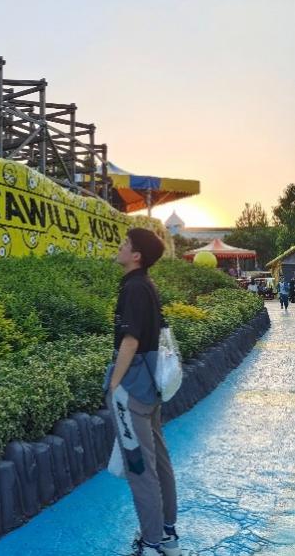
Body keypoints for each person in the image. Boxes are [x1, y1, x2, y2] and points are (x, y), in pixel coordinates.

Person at [106, 228, 180, 556]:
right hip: (150, 386)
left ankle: (151, 544)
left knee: (140, 468)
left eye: (125, 244)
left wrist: (114, 384)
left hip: (132, 388)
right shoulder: (147, 286)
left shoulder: (134, 288)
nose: (120, 247)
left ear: (136, 256)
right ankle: (167, 534)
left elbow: (131, 340)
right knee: (158, 461)